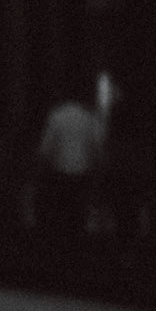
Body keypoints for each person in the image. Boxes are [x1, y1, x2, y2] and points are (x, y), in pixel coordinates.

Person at [35, 82, 107, 258]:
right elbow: (97, 148)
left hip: (60, 172)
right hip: (82, 173)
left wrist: (41, 172)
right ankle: (76, 252)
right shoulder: (89, 117)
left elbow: (46, 149)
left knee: (61, 213)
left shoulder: (57, 115)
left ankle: (60, 251)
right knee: (78, 215)